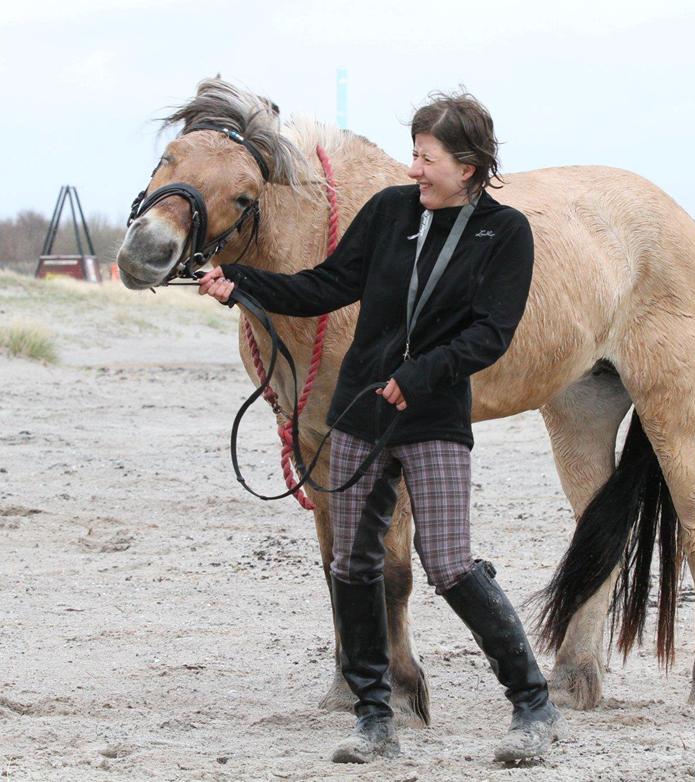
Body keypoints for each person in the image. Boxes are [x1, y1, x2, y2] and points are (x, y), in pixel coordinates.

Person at [199, 90, 560, 763]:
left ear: (468, 166)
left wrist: (419, 377)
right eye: (413, 154)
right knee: (353, 562)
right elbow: (326, 286)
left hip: (434, 417)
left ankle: (532, 705)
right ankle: (374, 716)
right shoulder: (391, 210)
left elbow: (491, 333)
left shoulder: (505, 232)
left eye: (426, 158)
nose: (413, 168)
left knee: (450, 564)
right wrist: (241, 285)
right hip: (360, 416)